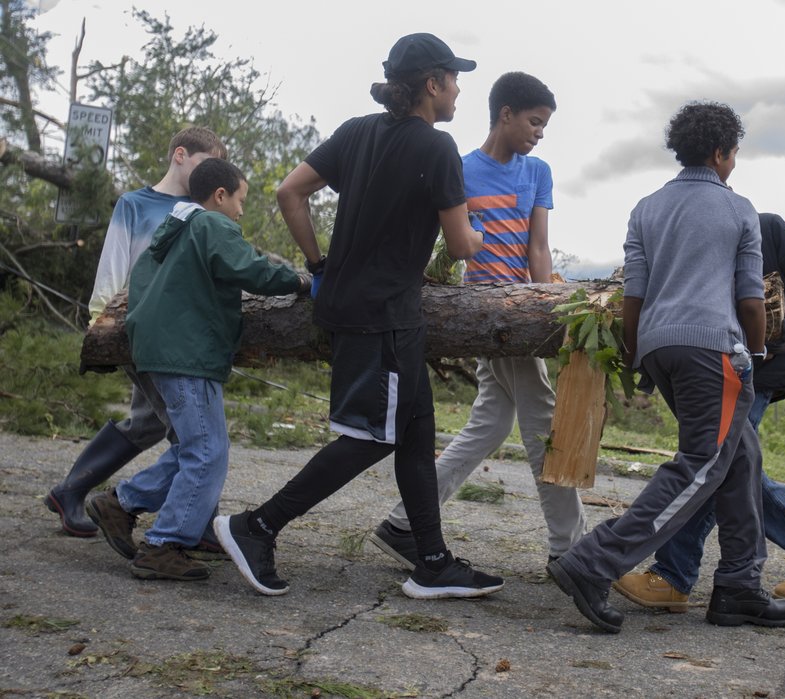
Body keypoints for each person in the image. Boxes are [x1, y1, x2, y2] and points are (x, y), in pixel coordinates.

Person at [214, 33, 503, 600]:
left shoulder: (356, 131)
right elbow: (463, 245)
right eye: (453, 78)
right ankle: (257, 527)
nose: (459, 88)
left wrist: (319, 263)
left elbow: (288, 192)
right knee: (372, 436)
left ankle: (433, 561)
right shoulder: (437, 147)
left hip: (358, 306)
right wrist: (480, 230)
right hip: (383, 319)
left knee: (417, 433)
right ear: (431, 84)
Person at [546, 101, 785, 633]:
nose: (734, 163)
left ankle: (738, 586)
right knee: (700, 466)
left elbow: (633, 294)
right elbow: (751, 300)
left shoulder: (647, 208)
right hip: (714, 351)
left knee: (740, 459)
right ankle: (594, 562)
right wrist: (754, 353)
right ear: (719, 153)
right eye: (733, 153)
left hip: (659, 346)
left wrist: (638, 355)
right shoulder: (738, 210)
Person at [369, 71, 586, 570]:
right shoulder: (460, 170)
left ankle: (404, 523)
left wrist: (551, 309)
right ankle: (570, 550)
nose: (539, 132)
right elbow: (447, 245)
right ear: (505, 114)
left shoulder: (538, 172)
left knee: (491, 423)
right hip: (487, 316)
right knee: (543, 424)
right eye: (534, 121)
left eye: (545, 125)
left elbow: (538, 249)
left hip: (524, 315)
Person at [85, 158, 311, 581]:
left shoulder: (170, 232)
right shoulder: (210, 224)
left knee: (198, 448)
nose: (241, 212)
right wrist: (300, 281)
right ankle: (163, 544)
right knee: (207, 452)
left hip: (154, 349)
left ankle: (121, 504)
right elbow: (249, 268)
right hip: (184, 352)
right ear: (220, 195)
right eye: (240, 200)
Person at [614, 212, 785, 611]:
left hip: (762, 368)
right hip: (711, 368)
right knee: (729, 465)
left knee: (717, 464)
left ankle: (673, 576)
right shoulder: (698, 241)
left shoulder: (768, 228)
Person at [44, 127, 226, 540]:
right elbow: (113, 265)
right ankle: (184, 523)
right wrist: (100, 327)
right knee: (193, 432)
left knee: (148, 424)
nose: (212, 177)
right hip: (137, 332)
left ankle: (68, 491)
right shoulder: (136, 204)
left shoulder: (203, 210)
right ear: (180, 155)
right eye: (205, 164)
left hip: (182, 342)